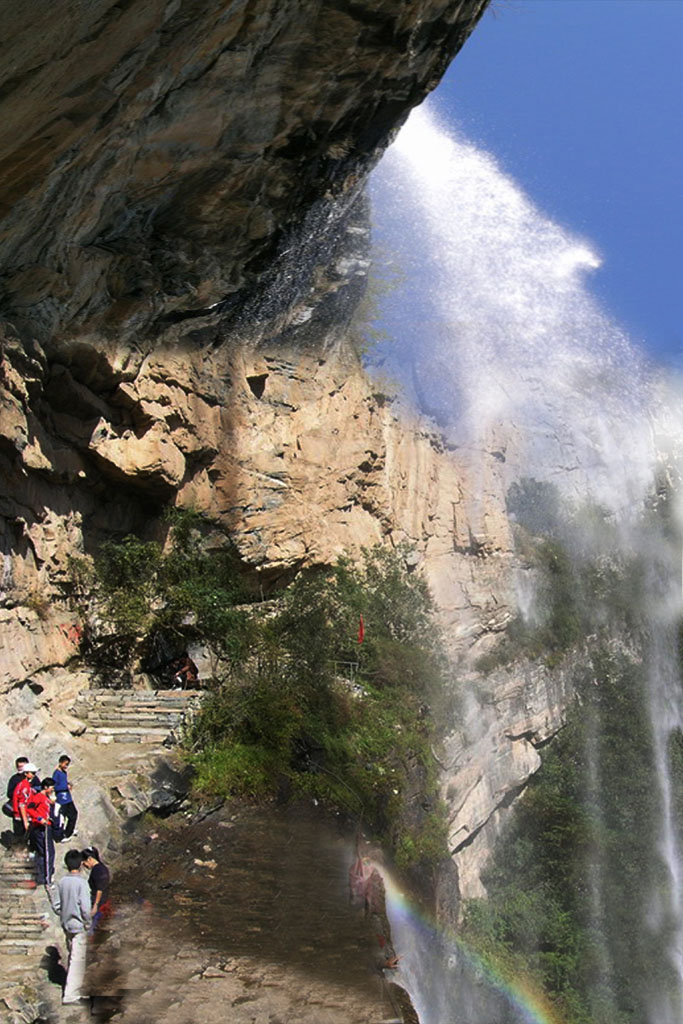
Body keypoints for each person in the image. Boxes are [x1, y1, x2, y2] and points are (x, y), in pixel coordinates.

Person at [49, 849, 92, 1004]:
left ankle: (71, 988)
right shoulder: (82, 883)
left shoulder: (62, 882)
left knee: (72, 954)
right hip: (79, 925)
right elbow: (85, 908)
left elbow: (56, 905)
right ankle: (71, 994)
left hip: (66, 923)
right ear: (80, 864)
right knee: (77, 958)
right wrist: (88, 923)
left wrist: (64, 913)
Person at [26, 776, 57, 885]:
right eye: (51, 788)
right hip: (41, 828)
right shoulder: (38, 797)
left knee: (44, 852)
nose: (53, 790)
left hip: (47, 826)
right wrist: (40, 819)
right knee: (47, 852)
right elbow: (29, 808)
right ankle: (46, 877)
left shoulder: (45, 797)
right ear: (45, 787)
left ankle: (42, 875)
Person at [81, 846, 112, 931]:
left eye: (84, 862)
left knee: (93, 925)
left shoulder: (98, 871)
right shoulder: (101, 868)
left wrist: (95, 905)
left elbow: (99, 889)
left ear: (89, 859)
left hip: (99, 902)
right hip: (103, 900)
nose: (84, 865)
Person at [11, 762, 39, 843]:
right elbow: (22, 805)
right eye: (32, 773)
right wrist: (25, 821)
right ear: (26, 773)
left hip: (21, 816)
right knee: (21, 837)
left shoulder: (24, 784)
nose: (34, 775)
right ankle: (18, 852)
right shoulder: (25, 786)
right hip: (21, 817)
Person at [53, 755, 78, 841]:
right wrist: (65, 787)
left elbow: (64, 782)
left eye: (67, 764)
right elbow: (55, 787)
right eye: (65, 764)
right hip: (62, 799)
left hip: (68, 798)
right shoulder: (56, 774)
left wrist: (68, 784)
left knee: (74, 814)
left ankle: (69, 830)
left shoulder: (64, 773)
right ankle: (64, 834)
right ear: (60, 763)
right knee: (62, 817)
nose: (66, 766)